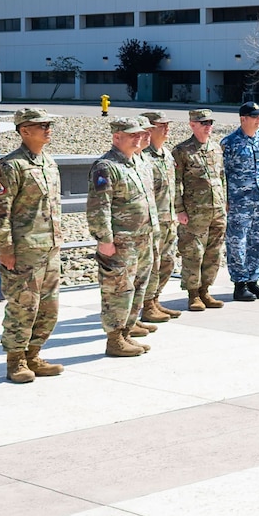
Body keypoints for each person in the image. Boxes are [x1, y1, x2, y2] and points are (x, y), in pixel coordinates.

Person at [0, 107, 64, 383]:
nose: (48, 129)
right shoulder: (10, 166)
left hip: (49, 248)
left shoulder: (49, 163)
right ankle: (16, 361)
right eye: (41, 125)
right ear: (24, 130)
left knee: (49, 309)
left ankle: (34, 354)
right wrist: (6, 249)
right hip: (24, 252)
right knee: (23, 307)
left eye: (49, 124)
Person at [88, 117, 157, 357]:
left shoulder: (138, 163)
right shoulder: (106, 166)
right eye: (132, 135)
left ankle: (127, 332)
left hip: (143, 237)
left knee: (138, 287)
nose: (138, 137)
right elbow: (99, 206)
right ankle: (114, 338)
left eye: (139, 134)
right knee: (118, 290)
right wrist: (104, 239)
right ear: (116, 137)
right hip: (121, 242)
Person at [174, 109, 226, 312]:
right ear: (192, 125)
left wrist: (225, 204)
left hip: (217, 211)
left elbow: (221, 179)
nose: (207, 126)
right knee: (193, 254)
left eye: (210, 122)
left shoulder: (215, 148)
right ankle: (193, 294)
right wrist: (179, 210)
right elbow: (176, 183)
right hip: (194, 214)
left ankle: (205, 290)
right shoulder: (182, 151)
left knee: (213, 253)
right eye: (203, 122)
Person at [222, 102, 259, 300]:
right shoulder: (230, 142)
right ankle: (240, 283)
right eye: (254, 116)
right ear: (243, 119)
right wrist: (226, 199)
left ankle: (253, 281)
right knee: (237, 243)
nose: (258, 120)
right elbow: (222, 173)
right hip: (238, 202)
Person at [137, 112, 180, 324]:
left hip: (169, 219)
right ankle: (146, 305)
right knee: (150, 266)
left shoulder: (167, 155)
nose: (166, 129)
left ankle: (155, 300)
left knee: (167, 262)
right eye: (161, 125)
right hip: (152, 223)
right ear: (149, 129)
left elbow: (174, 188)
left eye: (167, 124)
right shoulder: (143, 157)